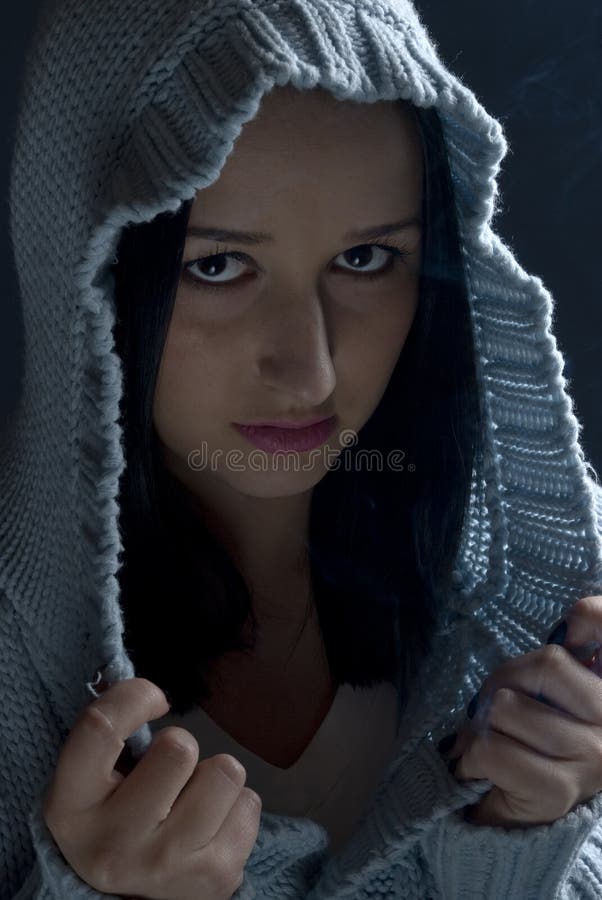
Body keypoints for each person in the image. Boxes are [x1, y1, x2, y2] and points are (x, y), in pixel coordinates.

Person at [2, 0, 602, 898]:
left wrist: (524, 841)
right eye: (218, 266)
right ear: (83, 271)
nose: (312, 372)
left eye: (366, 260)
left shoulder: (533, 599)